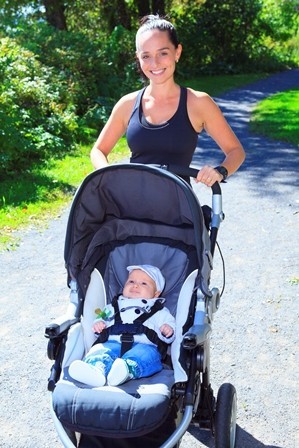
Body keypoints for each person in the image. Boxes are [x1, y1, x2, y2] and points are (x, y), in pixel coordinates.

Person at [90, 14, 245, 186]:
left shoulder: (198, 103)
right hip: (131, 206)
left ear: (177, 52)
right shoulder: (127, 104)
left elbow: (236, 151)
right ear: (138, 58)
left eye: (163, 53)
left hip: (178, 208)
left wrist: (220, 171)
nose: (154, 63)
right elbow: (98, 150)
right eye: (146, 56)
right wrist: (108, 175)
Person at [69, 265, 175, 387]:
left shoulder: (159, 311)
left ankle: (127, 370)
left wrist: (168, 330)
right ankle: (96, 370)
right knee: (100, 350)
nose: (135, 285)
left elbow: (170, 329)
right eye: (131, 281)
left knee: (146, 355)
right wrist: (99, 325)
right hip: (113, 344)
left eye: (144, 283)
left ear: (156, 294)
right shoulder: (113, 307)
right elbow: (101, 318)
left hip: (145, 345)